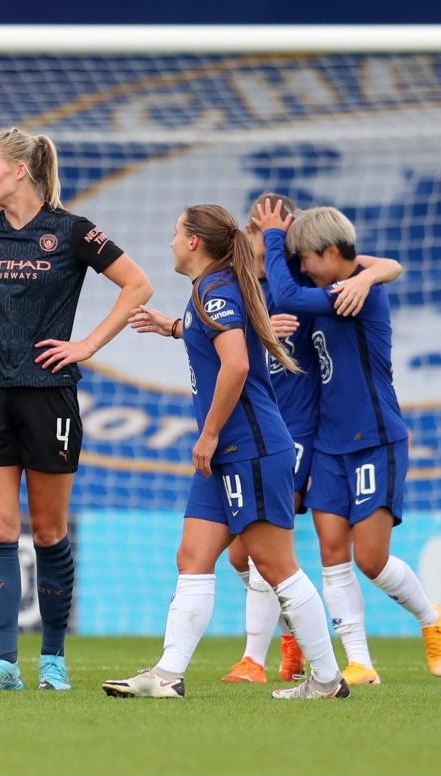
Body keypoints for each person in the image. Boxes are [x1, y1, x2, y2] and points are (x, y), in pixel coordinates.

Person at [0, 128, 152, 692]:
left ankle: (52, 661)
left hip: (51, 397)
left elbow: (137, 285)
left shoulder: (72, 232)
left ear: (20, 171)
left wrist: (86, 346)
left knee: (47, 531)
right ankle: (4, 665)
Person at [104, 203, 347, 700]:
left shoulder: (215, 289)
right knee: (192, 555)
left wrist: (210, 433)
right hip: (227, 456)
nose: (171, 241)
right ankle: (167, 677)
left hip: (249, 448)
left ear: (194, 241)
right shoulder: (209, 290)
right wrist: (173, 327)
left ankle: (327, 678)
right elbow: (219, 341)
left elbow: (235, 364)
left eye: (176, 233)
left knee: (277, 567)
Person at [222, 193, 404, 685]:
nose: (265, 257)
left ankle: (257, 659)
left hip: (304, 429)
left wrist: (369, 274)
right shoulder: (245, 289)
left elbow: (381, 265)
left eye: (270, 248)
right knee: (251, 553)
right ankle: (296, 640)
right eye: (256, 246)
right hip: (274, 428)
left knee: (277, 547)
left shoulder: (302, 286)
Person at [256, 201, 441, 683]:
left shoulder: (354, 294)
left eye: (310, 260)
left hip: (375, 439)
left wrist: (277, 238)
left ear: (333, 253)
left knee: (372, 559)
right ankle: (360, 662)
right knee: (331, 551)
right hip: (330, 442)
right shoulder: (341, 283)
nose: (305, 270)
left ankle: (433, 620)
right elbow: (290, 286)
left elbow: (289, 294)